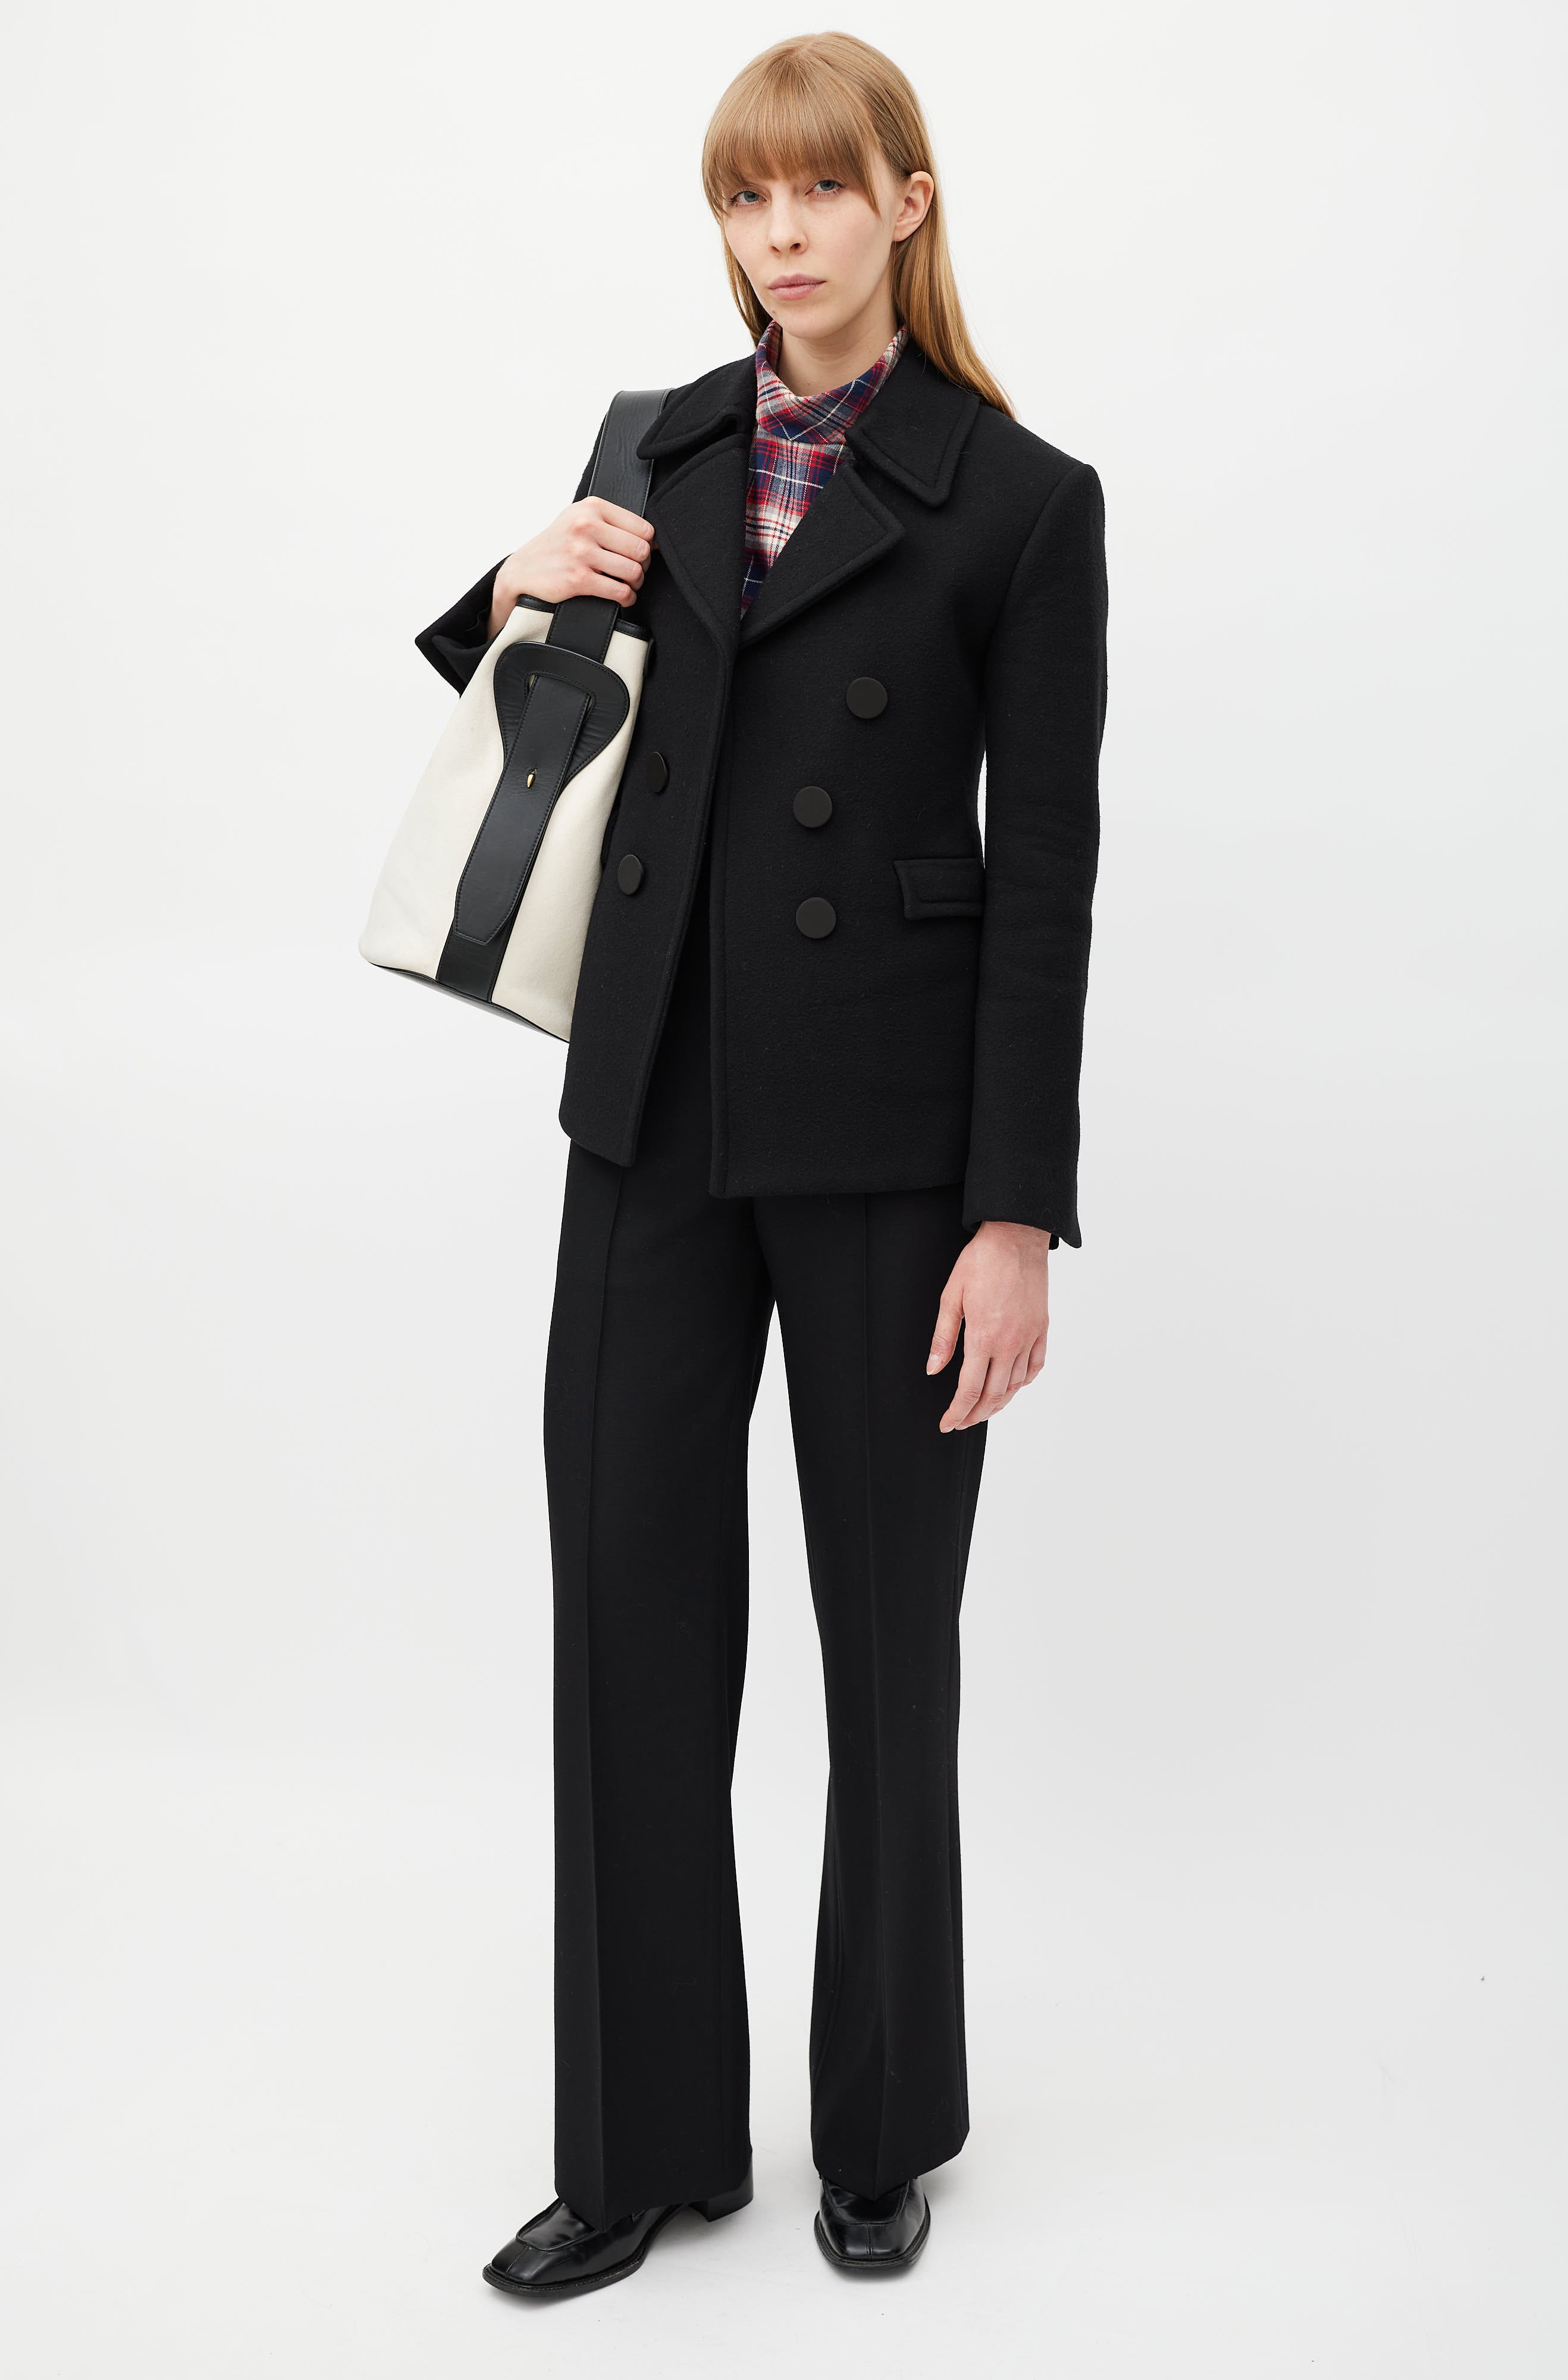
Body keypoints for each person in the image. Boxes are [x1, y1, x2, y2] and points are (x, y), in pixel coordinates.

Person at [413, 31, 1107, 2294]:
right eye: (743, 196)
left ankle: (881, 2124)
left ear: (907, 199)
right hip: (647, 1117)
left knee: (889, 1648)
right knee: (623, 1623)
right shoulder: (660, 441)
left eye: (818, 189)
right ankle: (638, 2147)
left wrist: (1012, 1215)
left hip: (896, 1147)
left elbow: (1043, 882)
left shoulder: (1018, 499)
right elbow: (549, 740)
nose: (779, 232)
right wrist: (503, 586)